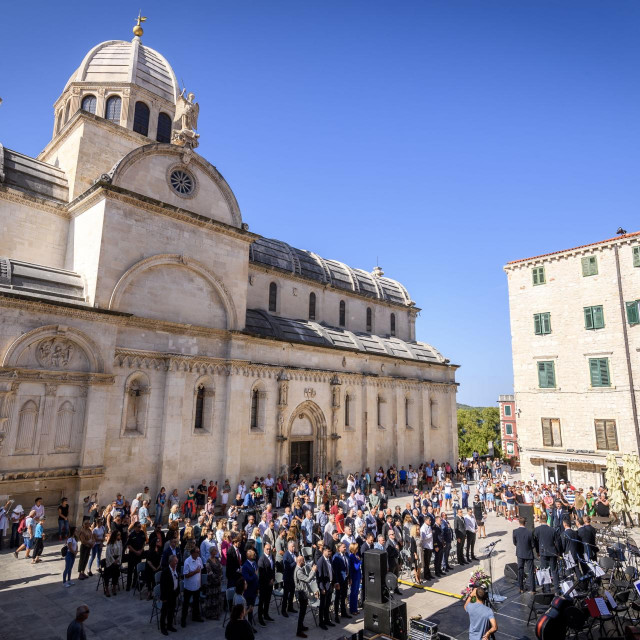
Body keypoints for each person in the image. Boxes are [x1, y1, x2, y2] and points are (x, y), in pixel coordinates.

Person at [533, 519, 560, 594]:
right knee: (554, 571)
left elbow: (535, 542)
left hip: (543, 553)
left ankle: (547, 589)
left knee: (545, 571)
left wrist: (537, 551)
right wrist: (558, 552)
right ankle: (557, 589)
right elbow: (557, 542)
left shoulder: (537, 530)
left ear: (540, 521)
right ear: (547, 521)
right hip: (552, 552)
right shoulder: (552, 530)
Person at [294, 555, 317, 638]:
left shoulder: (300, 569)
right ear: (300, 562)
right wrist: (313, 571)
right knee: (302, 613)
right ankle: (299, 631)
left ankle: (301, 626)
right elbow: (307, 579)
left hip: (303, 593)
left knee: (303, 613)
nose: (304, 562)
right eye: (303, 561)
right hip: (301, 594)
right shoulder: (299, 572)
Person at [181, 547, 205, 627]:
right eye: (197, 552)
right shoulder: (187, 561)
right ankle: (183, 620)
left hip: (197, 586)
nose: (198, 554)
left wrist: (200, 583)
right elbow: (186, 575)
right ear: (192, 553)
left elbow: (200, 572)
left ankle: (195, 617)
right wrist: (195, 572)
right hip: (189, 587)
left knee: (196, 602)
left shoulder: (199, 559)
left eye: (199, 552)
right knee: (186, 604)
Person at [512, 516, 535, 593]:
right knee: (531, 571)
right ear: (525, 523)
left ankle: (521, 588)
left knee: (520, 570)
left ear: (519, 522)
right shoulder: (529, 532)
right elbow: (533, 544)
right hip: (528, 553)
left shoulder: (515, 531)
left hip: (520, 553)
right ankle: (533, 589)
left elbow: (515, 543)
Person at [316, 544, 335, 630]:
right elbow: (319, 577)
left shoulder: (329, 559)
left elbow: (332, 571)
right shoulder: (320, 561)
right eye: (328, 551)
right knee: (322, 605)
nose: (330, 553)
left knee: (327, 604)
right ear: (323, 551)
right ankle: (321, 622)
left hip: (330, 585)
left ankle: (327, 620)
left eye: (330, 551)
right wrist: (322, 588)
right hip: (324, 587)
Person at [332, 541, 351, 623]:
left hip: (345, 579)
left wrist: (349, 578)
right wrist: (336, 582)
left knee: (344, 596)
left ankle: (343, 612)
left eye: (345, 547)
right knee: (337, 598)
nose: (345, 548)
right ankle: (336, 615)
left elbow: (348, 567)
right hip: (339, 580)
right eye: (343, 547)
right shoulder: (336, 557)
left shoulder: (346, 555)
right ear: (339, 548)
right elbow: (335, 571)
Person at [160, 555, 180, 635]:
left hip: (173, 594)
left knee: (171, 611)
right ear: (171, 562)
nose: (176, 562)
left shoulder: (176, 569)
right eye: (175, 561)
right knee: (164, 612)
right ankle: (163, 628)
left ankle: (169, 625)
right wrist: (164, 598)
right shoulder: (165, 571)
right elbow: (162, 585)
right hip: (167, 595)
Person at [257, 542, 275, 625]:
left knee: (268, 600)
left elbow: (273, 569)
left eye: (269, 549)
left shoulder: (271, 557)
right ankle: (260, 617)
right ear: (264, 549)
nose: (268, 550)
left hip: (270, 583)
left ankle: (266, 614)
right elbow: (262, 573)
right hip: (264, 584)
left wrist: (273, 579)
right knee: (262, 601)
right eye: (267, 549)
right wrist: (269, 580)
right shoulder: (262, 559)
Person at [241, 549, 259, 629]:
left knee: (251, 608)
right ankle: (247, 626)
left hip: (254, 590)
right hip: (248, 591)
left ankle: (250, 625)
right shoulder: (245, 566)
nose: (255, 555)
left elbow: (257, 577)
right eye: (254, 554)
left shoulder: (255, 563)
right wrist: (255, 575)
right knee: (248, 608)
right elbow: (247, 579)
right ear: (249, 556)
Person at [204, 550, 223, 620]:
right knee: (211, 598)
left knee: (217, 598)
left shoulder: (217, 559)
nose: (215, 552)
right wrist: (216, 579)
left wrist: (220, 577)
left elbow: (220, 568)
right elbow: (209, 572)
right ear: (211, 552)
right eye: (214, 551)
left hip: (217, 582)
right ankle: (210, 614)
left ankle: (217, 613)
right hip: (212, 583)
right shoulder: (208, 561)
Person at [104, 529, 122, 597]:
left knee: (116, 574)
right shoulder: (110, 543)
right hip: (110, 562)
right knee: (107, 575)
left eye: (120, 534)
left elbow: (120, 552)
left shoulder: (120, 542)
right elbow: (108, 553)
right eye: (118, 535)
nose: (120, 536)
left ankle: (114, 587)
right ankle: (107, 589)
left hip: (116, 560)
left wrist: (117, 560)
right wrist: (113, 561)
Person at [282, 539, 297, 617]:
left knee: (292, 593)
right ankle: (283, 610)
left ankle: (290, 607)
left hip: (293, 577)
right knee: (286, 594)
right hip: (287, 578)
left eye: (294, 546)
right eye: (292, 546)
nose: (294, 548)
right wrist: (295, 562)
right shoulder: (286, 555)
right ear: (288, 547)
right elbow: (287, 567)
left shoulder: (295, 554)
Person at [348, 542, 362, 613]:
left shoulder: (356, 555)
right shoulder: (351, 556)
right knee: (353, 593)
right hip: (354, 576)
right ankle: (352, 609)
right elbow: (355, 567)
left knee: (356, 592)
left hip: (358, 575)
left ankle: (355, 608)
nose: (358, 549)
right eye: (357, 548)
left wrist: (360, 577)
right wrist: (359, 561)